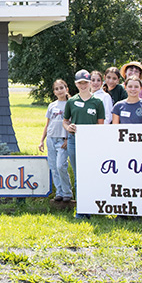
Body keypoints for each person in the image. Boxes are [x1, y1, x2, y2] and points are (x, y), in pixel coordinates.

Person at [63, 70, 105, 213]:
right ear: (76, 84)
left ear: (90, 83)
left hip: (91, 142)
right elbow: (65, 121)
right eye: (80, 83)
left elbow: (101, 124)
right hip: (74, 140)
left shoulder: (97, 102)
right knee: (78, 174)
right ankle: (81, 208)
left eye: (85, 83)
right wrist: (69, 127)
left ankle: (94, 205)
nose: (83, 86)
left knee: (91, 173)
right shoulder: (72, 101)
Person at [38, 79, 72, 203]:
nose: (59, 90)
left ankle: (67, 192)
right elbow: (48, 124)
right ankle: (59, 192)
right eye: (57, 89)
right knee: (53, 167)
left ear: (66, 89)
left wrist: (68, 139)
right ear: (54, 91)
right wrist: (42, 140)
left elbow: (71, 123)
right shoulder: (52, 105)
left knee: (61, 165)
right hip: (51, 138)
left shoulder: (70, 104)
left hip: (62, 139)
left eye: (61, 88)